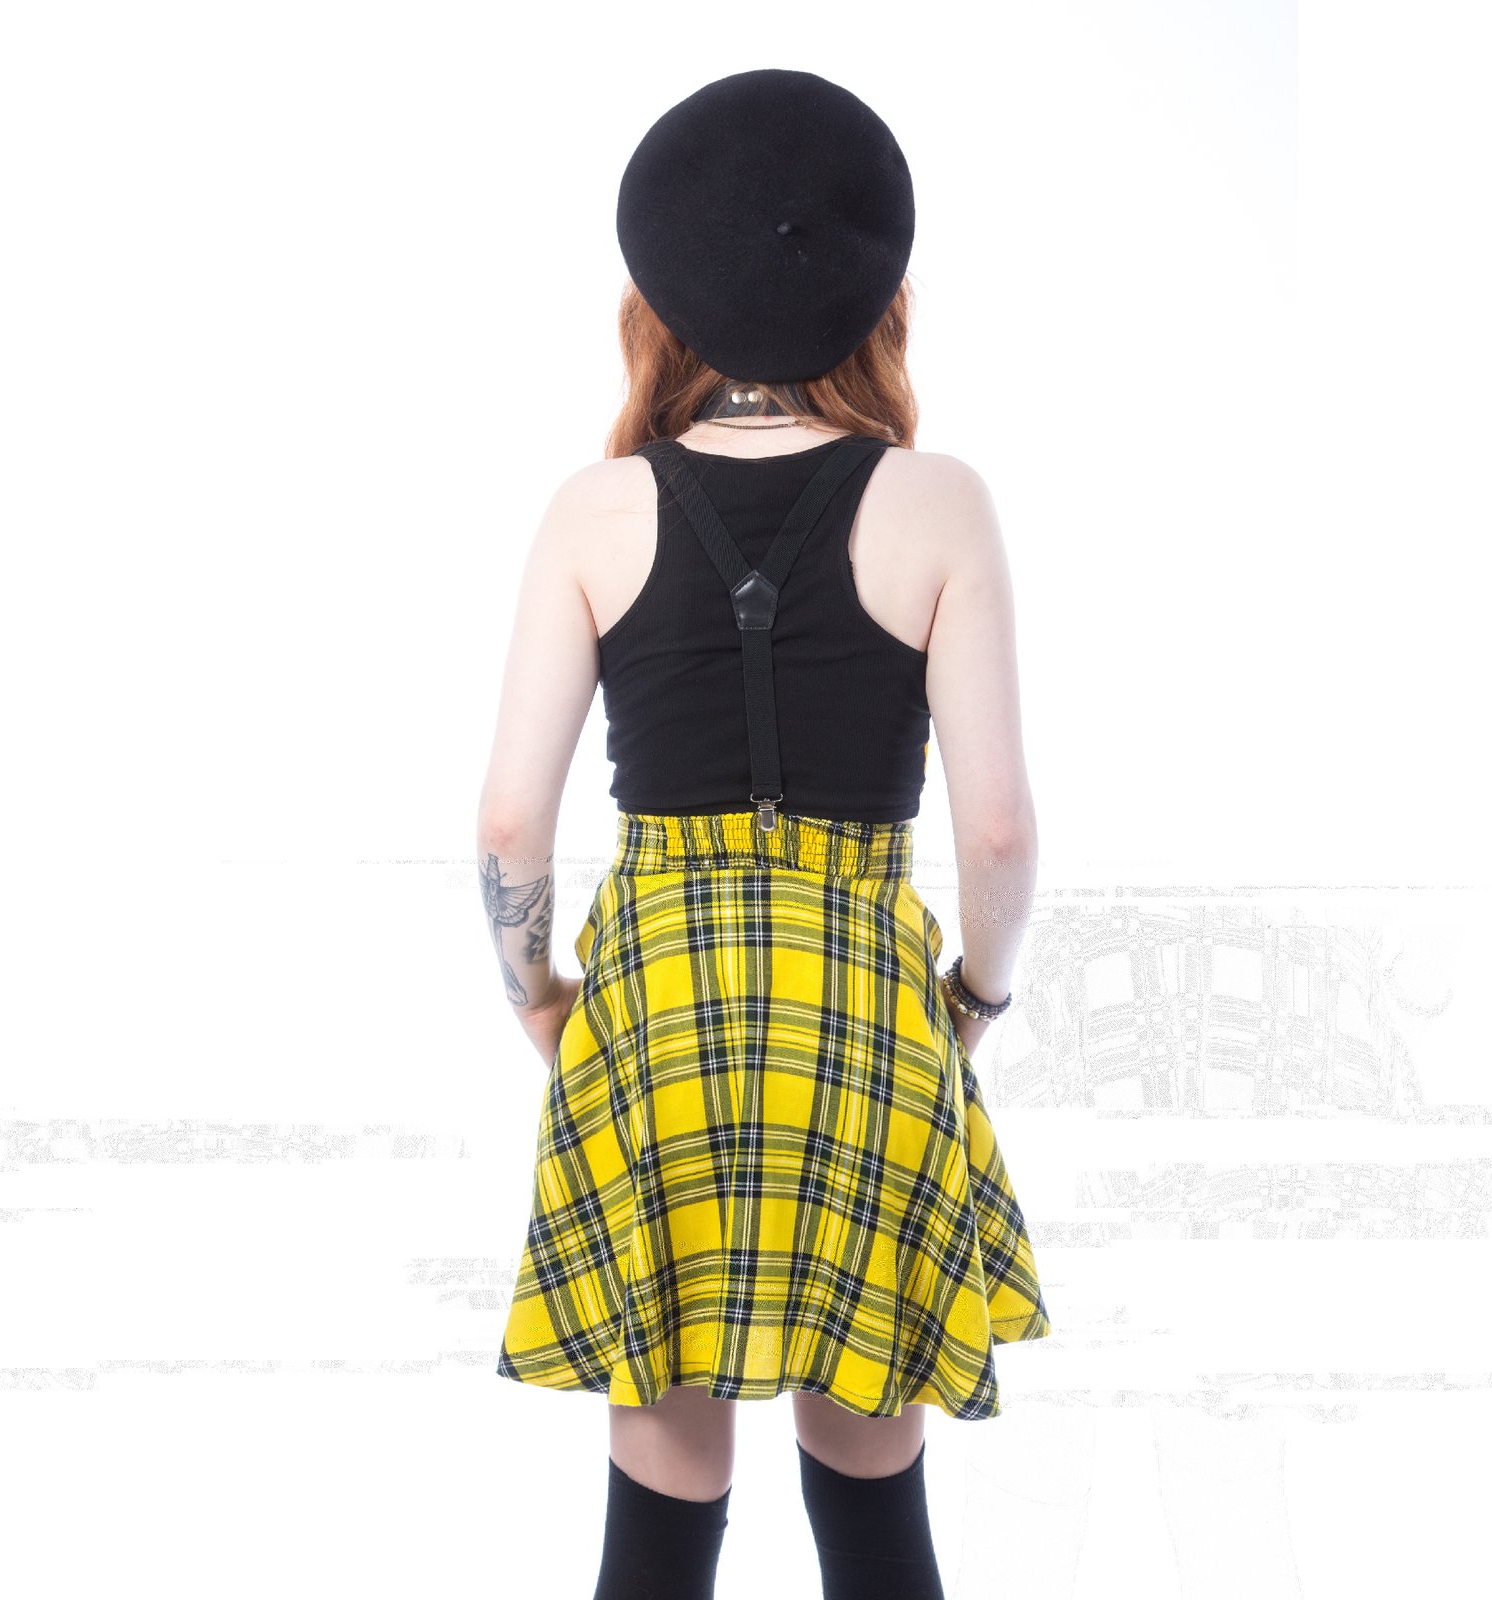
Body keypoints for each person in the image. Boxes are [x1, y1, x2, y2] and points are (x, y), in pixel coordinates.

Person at [476, 68, 1051, 1600]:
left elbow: (510, 818)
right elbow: (999, 832)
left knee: (658, 1521)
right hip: (865, 1019)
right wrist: (972, 1003)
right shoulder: (941, 504)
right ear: (875, 297)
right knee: (875, 1515)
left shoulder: (594, 510)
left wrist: (541, 1001)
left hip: (653, 1016)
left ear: (661, 301)